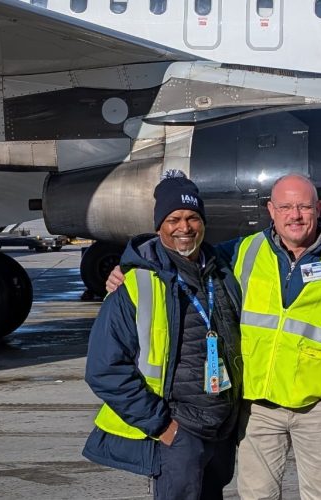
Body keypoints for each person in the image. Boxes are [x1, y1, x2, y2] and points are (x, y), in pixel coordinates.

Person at [108, 174, 321, 499]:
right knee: (257, 495)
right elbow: (184, 254)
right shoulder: (243, 251)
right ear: (271, 210)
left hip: (319, 409)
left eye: (303, 206)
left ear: (319, 208)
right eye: (285, 207)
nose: (295, 215)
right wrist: (130, 266)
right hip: (257, 409)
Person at [83, 170, 243, 499]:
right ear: (159, 227)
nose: (184, 227)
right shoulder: (136, 283)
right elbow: (103, 369)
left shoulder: (223, 272)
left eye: (193, 217)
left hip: (220, 429)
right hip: (178, 431)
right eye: (173, 219)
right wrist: (162, 426)